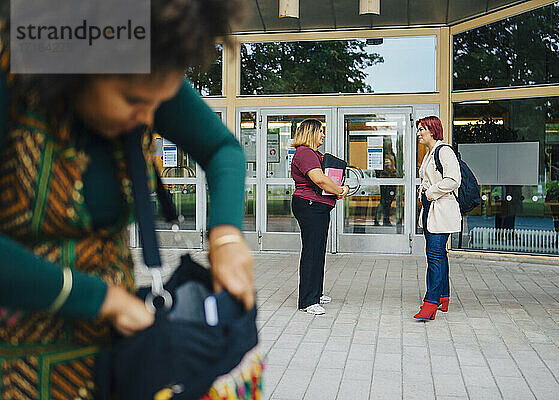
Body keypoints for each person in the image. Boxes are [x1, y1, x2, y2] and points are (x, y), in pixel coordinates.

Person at [0, 1, 254, 398]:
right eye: (133, 99)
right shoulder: (14, 62)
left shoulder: (141, 57)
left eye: (158, 103)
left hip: (110, 361)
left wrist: (226, 236)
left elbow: (223, 150)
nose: (149, 117)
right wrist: (101, 299)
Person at [291, 119, 348, 315]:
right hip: (310, 206)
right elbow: (320, 179)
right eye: (321, 132)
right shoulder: (305, 152)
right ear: (310, 133)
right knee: (312, 251)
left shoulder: (313, 153)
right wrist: (340, 190)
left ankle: (316, 292)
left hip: (316, 206)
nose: (323, 135)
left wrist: (338, 189)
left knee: (317, 250)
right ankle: (308, 300)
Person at [414, 116, 461, 321]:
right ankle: (443, 295)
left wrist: (430, 193)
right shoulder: (430, 153)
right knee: (439, 255)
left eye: (422, 129)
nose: (418, 133)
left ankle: (430, 302)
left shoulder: (445, 151)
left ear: (433, 131)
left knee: (434, 256)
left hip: (441, 209)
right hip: (431, 210)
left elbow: (453, 180)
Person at [374, 137, 397, 226]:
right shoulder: (382, 155)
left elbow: (396, 167)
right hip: (384, 180)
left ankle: (385, 220)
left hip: (392, 180)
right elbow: (378, 169)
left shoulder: (393, 155)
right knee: (383, 201)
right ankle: (378, 219)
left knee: (389, 201)